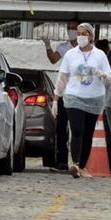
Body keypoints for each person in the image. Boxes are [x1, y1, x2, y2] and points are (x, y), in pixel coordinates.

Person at [55, 23, 111, 178]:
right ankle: (75, 163)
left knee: (88, 134)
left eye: (84, 33)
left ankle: (82, 165)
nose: (80, 36)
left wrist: (103, 75)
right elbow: (63, 77)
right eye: (78, 33)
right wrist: (56, 97)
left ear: (91, 36)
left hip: (94, 99)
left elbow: (110, 77)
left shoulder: (100, 55)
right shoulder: (70, 54)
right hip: (73, 97)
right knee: (77, 130)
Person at [43, 19, 78, 171]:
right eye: (69, 28)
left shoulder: (88, 49)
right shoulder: (64, 47)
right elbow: (53, 60)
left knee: (78, 129)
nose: (71, 31)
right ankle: (62, 162)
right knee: (61, 128)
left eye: (74, 28)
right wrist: (47, 45)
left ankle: (79, 162)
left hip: (80, 93)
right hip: (65, 93)